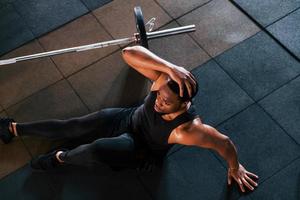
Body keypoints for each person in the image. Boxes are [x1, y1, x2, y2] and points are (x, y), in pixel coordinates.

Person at [0, 45, 258, 192]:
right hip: (126, 119)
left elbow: (223, 142)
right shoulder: (162, 82)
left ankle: (59, 158)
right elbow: (128, 53)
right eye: (158, 95)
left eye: (166, 102)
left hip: (139, 148)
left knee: (97, 148)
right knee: (75, 125)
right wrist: (169, 68)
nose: (158, 101)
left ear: (185, 103)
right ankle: (12, 128)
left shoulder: (188, 130)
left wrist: (235, 167)